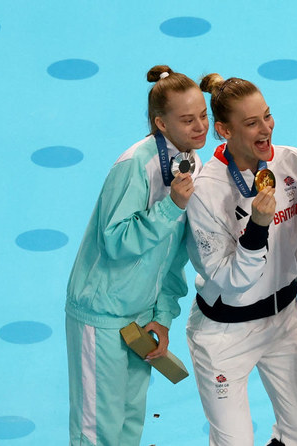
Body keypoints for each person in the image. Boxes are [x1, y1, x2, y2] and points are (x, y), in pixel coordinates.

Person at [64, 65, 208, 446]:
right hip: (102, 316)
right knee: (97, 431)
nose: (201, 127)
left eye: (204, 116)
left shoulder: (192, 163)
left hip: (140, 318)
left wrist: (161, 317)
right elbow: (114, 240)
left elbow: (174, 255)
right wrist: (171, 206)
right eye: (188, 119)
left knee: (129, 426)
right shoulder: (134, 165)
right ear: (161, 123)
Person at [185, 73, 297, 446]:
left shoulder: (292, 162)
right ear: (223, 130)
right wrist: (257, 227)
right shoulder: (206, 191)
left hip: (283, 321)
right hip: (224, 333)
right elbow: (228, 280)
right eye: (251, 123)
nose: (266, 129)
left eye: (267, 116)